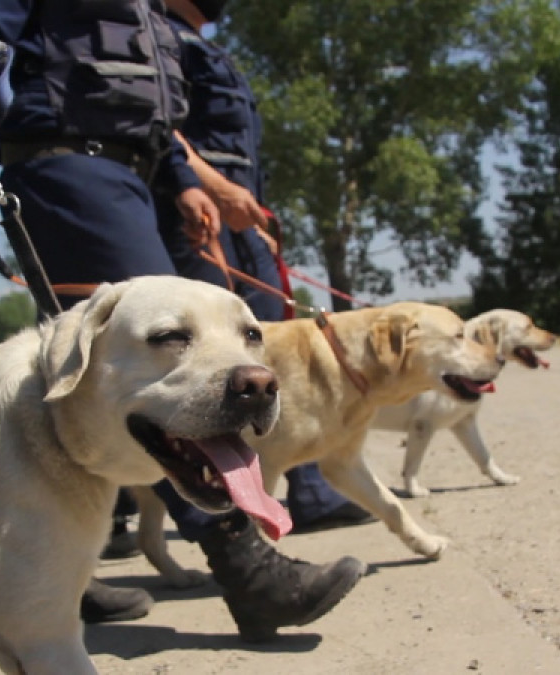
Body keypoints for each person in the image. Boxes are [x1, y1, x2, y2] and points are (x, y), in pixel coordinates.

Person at [0, 0, 365, 642]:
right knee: (146, 383)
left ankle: (63, 576)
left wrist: (183, 179)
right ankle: (252, 575)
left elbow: (154, 97)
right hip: (67, 163)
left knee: (106, 393)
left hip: (140, 170)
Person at [154, 0, 377, 541]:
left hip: (242, 215)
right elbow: (162, 128)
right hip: (202, 214)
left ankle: (308, 489)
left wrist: (252, 212)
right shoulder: (159, 36)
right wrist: (216, 190)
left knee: (276, 351)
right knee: (219, 363)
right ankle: (228, 512)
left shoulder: (207, 46)